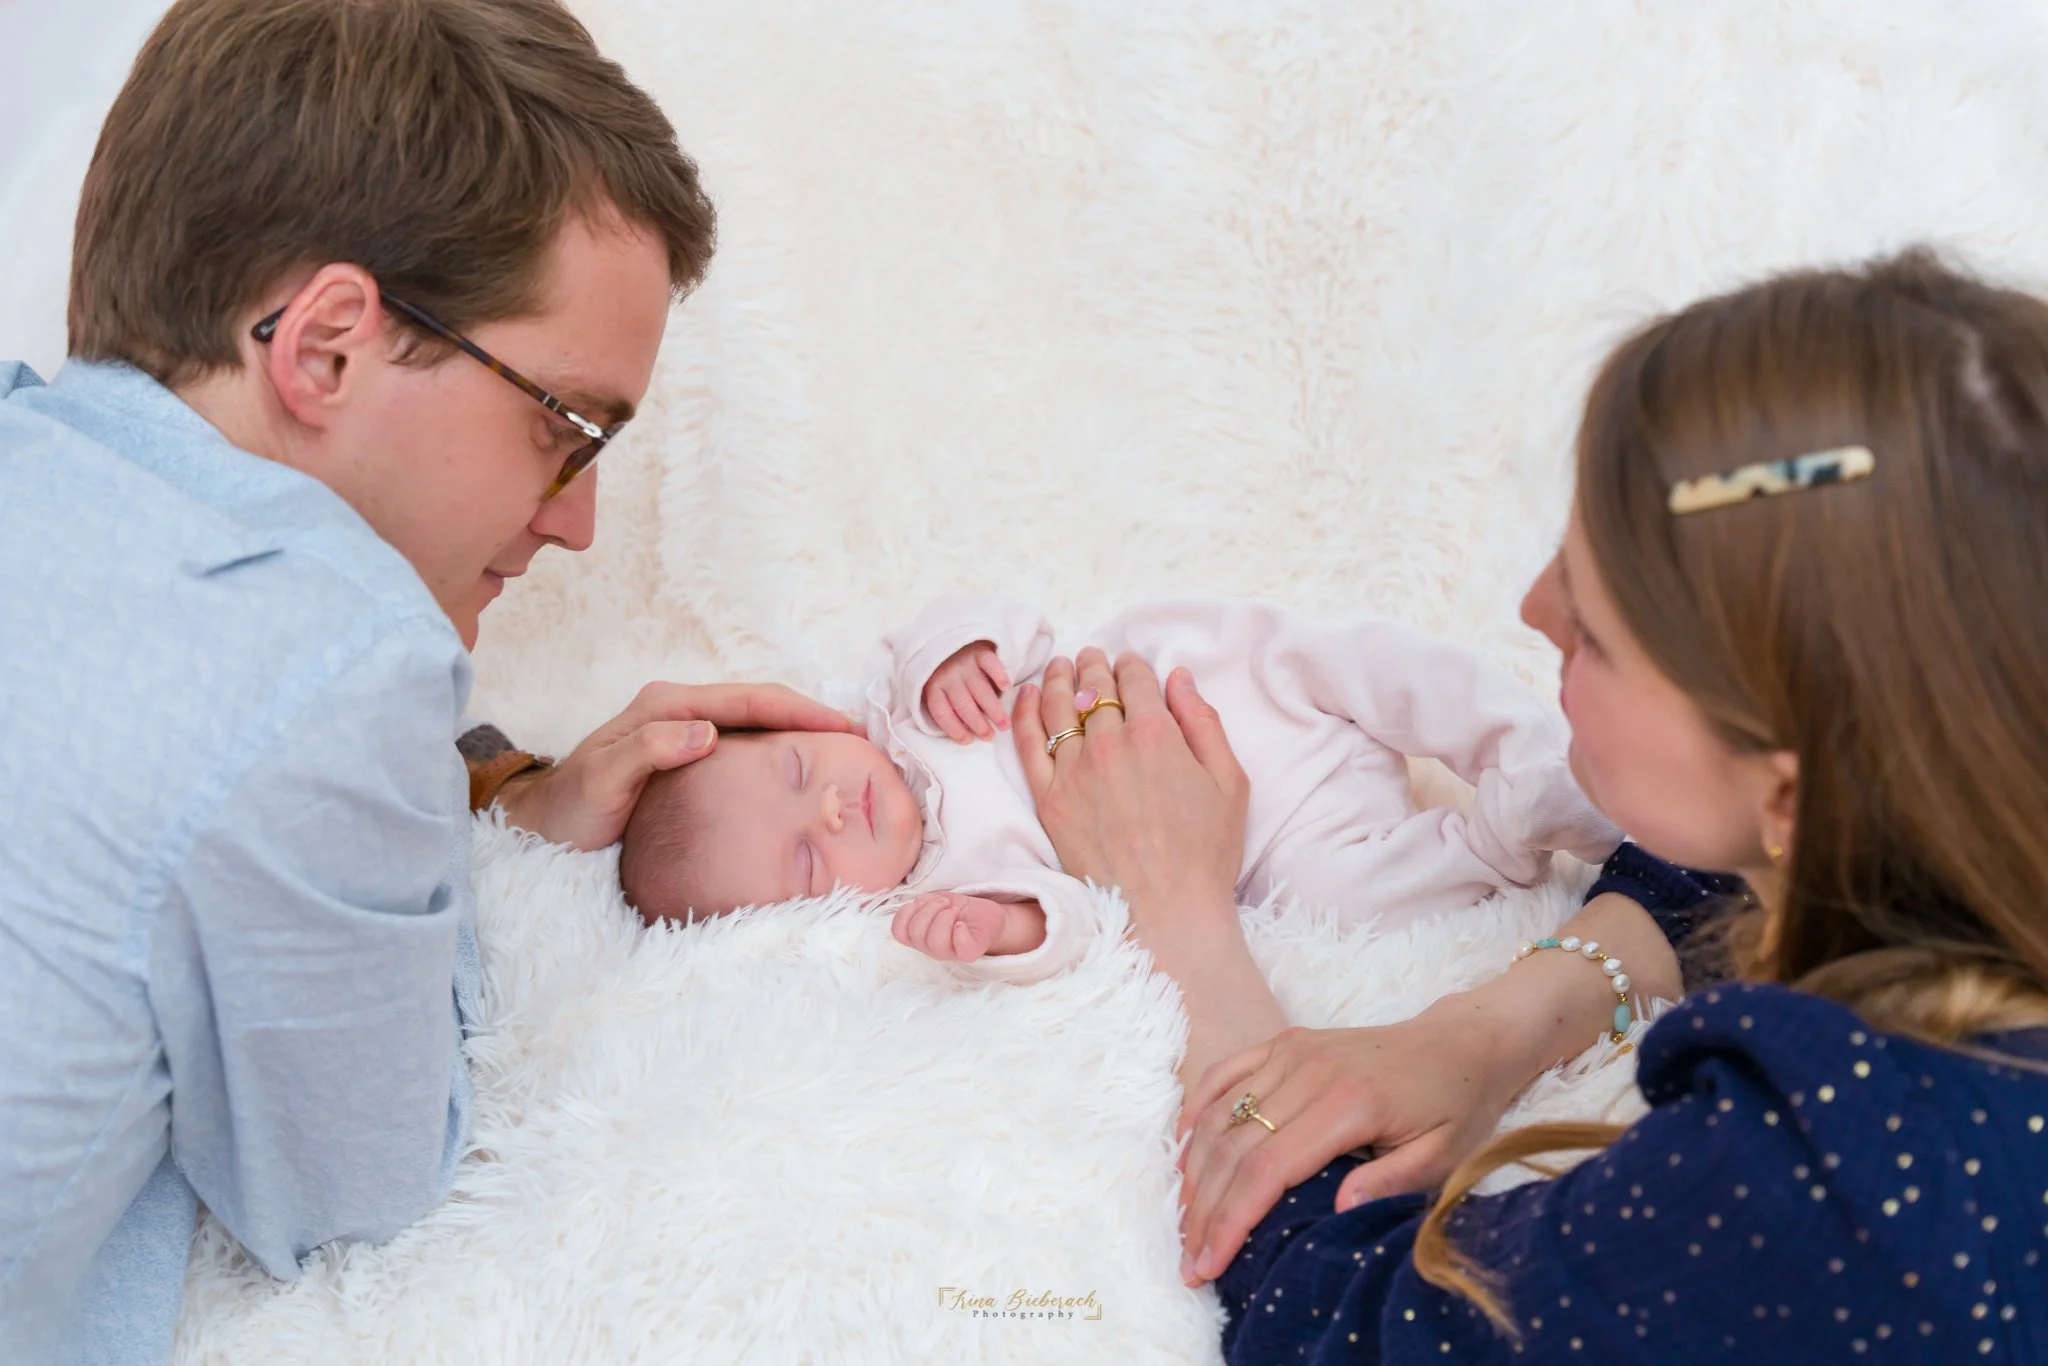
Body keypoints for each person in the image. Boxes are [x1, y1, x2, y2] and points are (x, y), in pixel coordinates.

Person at [0, 2, 854, 1362]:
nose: (575, 520)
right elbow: (351, 1192)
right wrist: (448, 817)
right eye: (567, 427)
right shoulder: (333, 655)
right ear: (327, 345)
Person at [1010, 249, 2048, 1360]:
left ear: (1793, 790)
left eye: (1596, 630)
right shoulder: (1980, 765)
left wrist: (1176, 910)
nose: (1531, 607)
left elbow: (1349, 1324)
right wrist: (1493, 1027)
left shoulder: (1834, 1179)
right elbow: (1713, 858)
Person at [617, 593, 1618, 978]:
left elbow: (1001, 620)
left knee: (1360, 659)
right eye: (806, 856)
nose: (833, 808)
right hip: (1267, 837)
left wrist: (959, 653)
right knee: (1334, 901)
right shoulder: (948, 883)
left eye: (799, 772)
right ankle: (1510, 829)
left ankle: (1527, 740)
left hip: (1205, 681)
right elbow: (1081, 917)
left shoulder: (900, 701)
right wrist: (1000, 934)